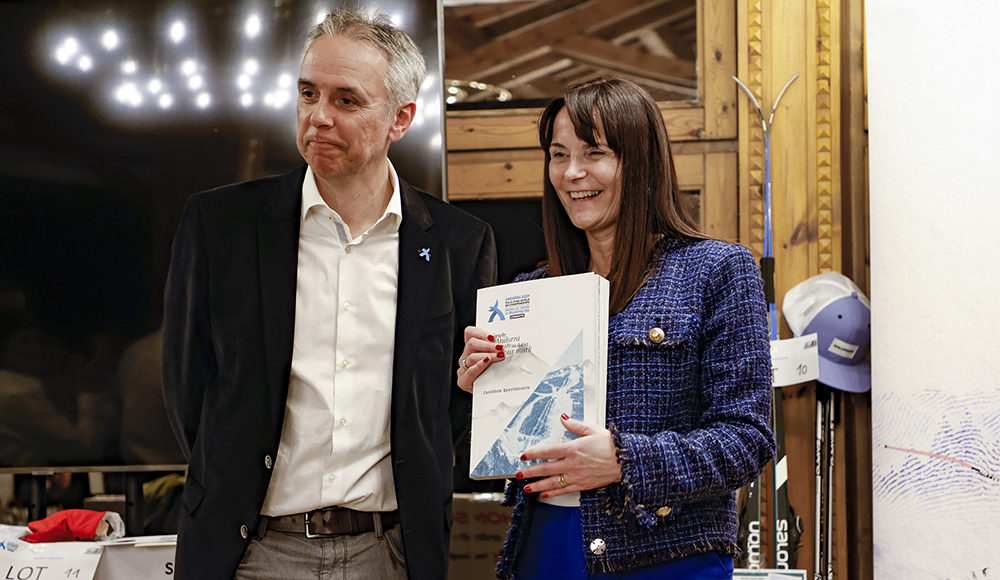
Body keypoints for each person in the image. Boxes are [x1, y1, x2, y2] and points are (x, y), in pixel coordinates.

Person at [162, 9, 496, 580]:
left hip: (391, 552)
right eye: (308, 93)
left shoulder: (459, 243)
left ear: (400, 118)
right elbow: (185, 385)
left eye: (346, 100)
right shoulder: (220, 225)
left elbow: (458, 406)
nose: (318, 116)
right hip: (249, 551)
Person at [456, 78, 775, 579]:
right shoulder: (530, 291)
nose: (572, 173)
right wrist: (482, 390)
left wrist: (625, 461)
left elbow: (747, 439)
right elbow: (502, 450)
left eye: (594, 153)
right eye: (558, 155)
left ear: (641, 162)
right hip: (544, 544)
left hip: (669, 556)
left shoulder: (716, 270)